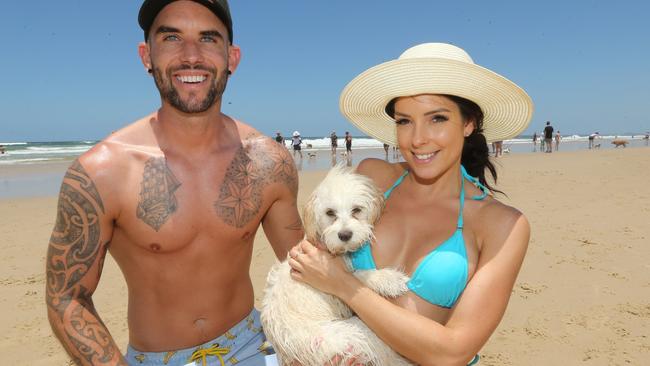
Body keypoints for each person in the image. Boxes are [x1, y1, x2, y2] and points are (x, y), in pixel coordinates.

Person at [45, 1, 304, 365]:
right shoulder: (101, 173)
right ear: (146, 55)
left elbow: (305, 270)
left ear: (232, 58)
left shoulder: (267, 163)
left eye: (208, 39)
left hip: (255, 345)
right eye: (171, 38)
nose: (191, 56)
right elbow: (66, 296)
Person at [286, 43, 532, 365]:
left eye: (437, 119)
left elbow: (453, 351)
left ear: (469, 123)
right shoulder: (374, 178)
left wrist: (345, 287)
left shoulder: (501, 224)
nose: (417, 139)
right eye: (404, 121)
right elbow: (311, 256)